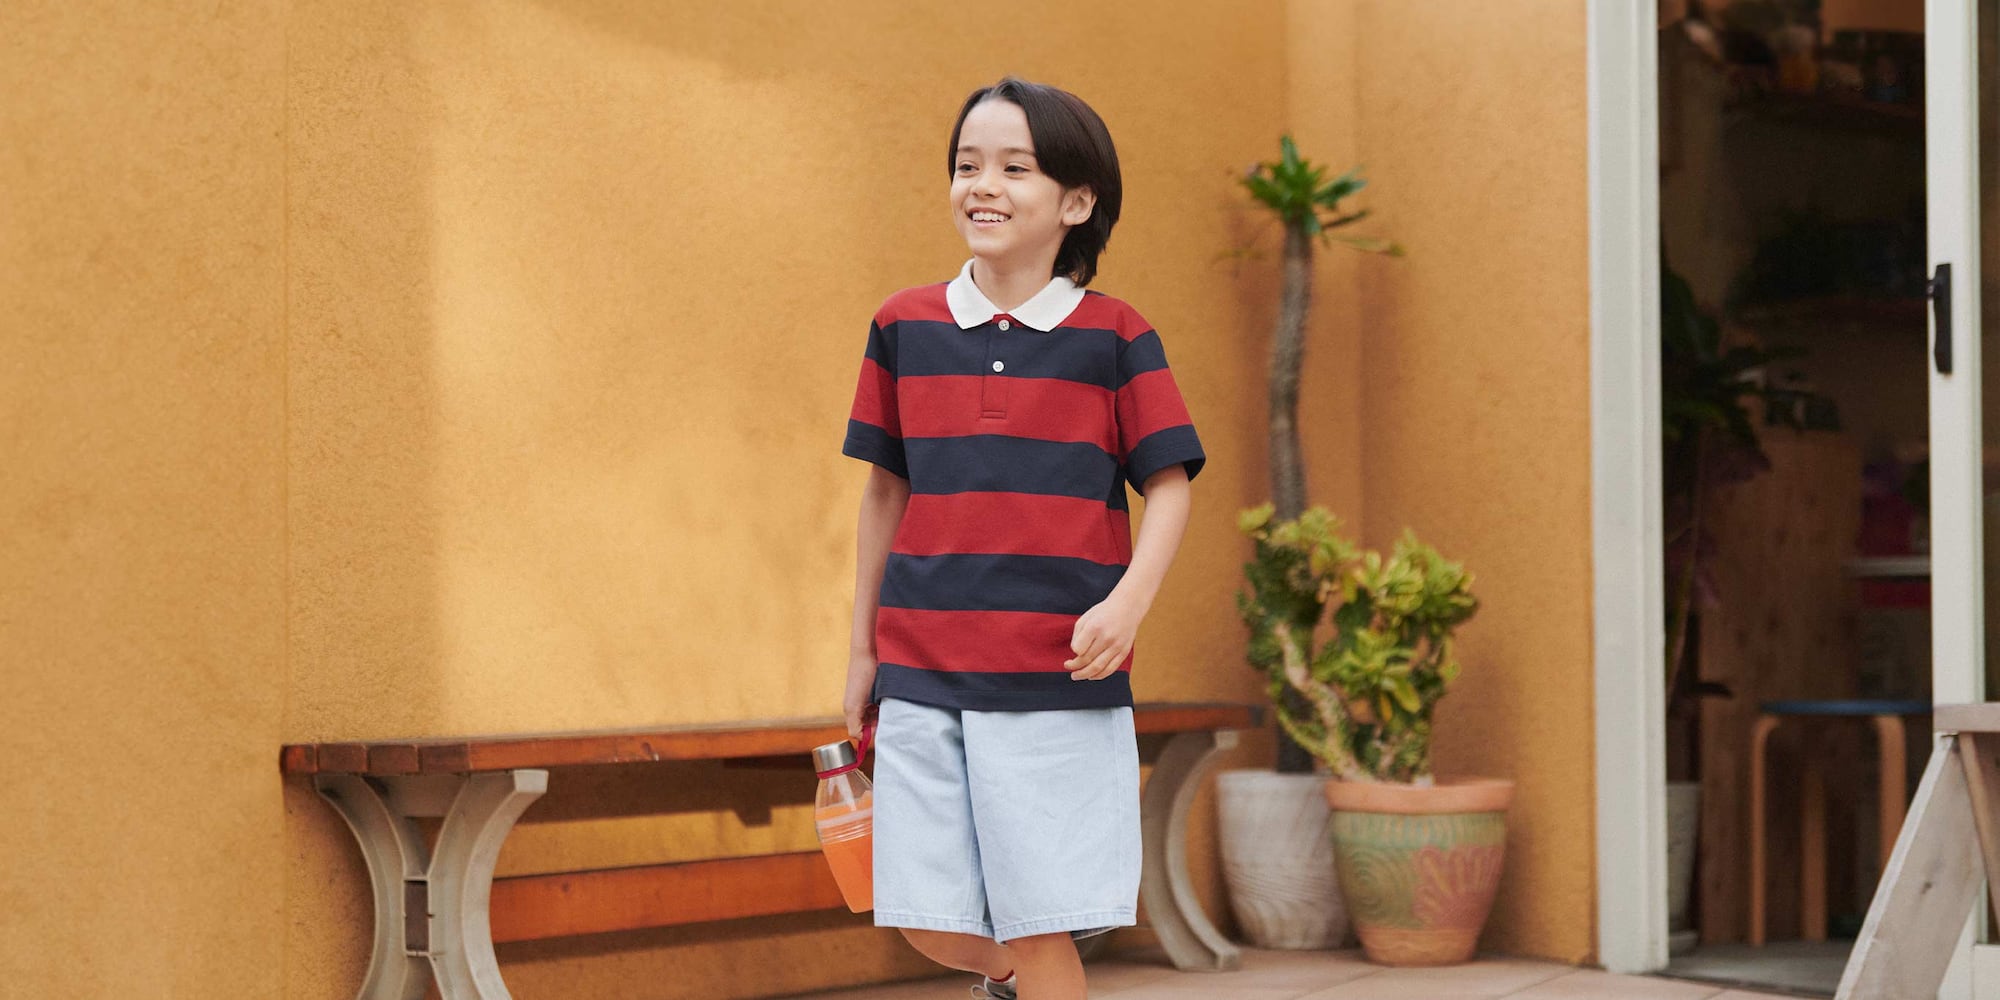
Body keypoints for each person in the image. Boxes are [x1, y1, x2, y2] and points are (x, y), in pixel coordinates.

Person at [840, 76, 1203, 1000]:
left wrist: (1127, 606)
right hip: (922, 661)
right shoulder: (902, 326)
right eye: (967, 165)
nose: (982, 185)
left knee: (1042, 921)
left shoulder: (1117, 337)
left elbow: (1167, 486)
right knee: (924, 913)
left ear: (1076, 202)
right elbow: (885, 494)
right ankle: (1015, 983)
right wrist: (860, 653)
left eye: (1014, 167)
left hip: (1057, 675)